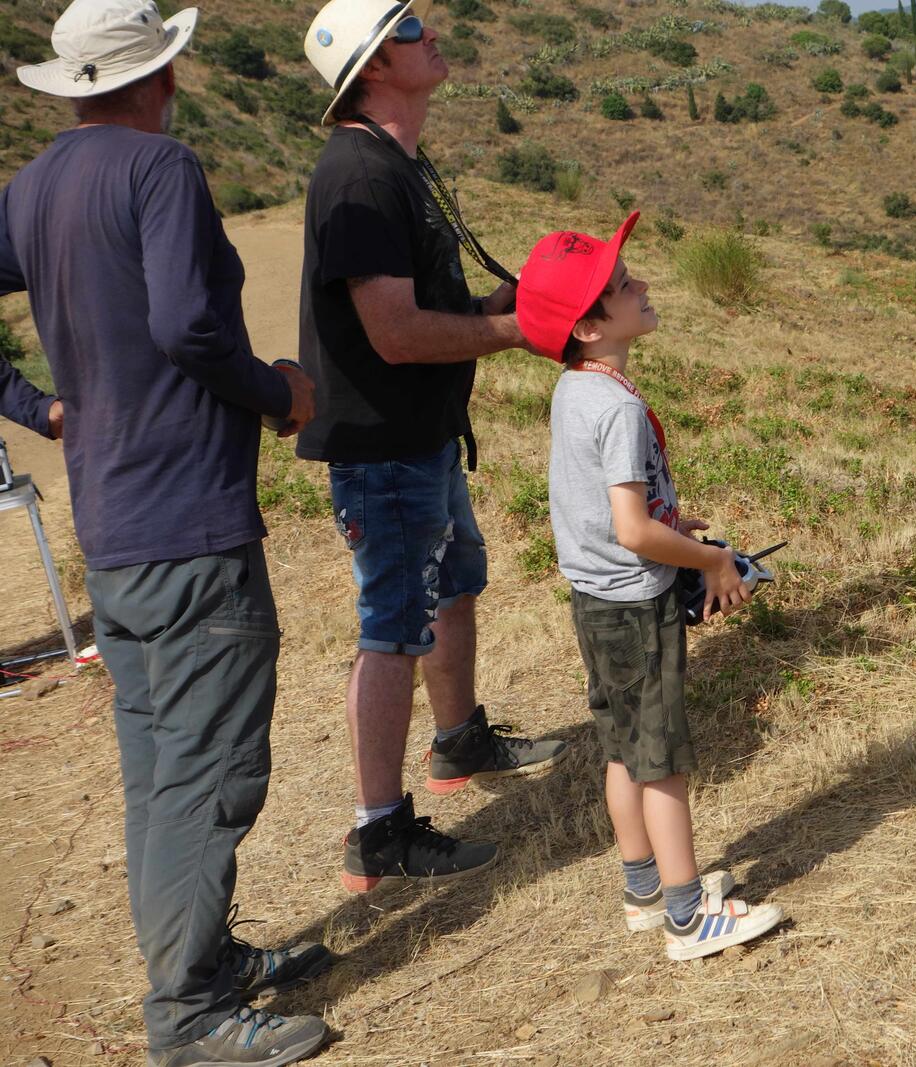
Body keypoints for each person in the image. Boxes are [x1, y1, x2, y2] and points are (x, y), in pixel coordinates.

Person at [0, 1, 331, 1063]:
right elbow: (188, 324)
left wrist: (35, 406)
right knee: (210, 768)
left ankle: (200, 961)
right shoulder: (161, 169)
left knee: (160, 768)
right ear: (164, 75)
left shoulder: (33, 187)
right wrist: (277, 393)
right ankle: (187, 1014)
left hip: (113, 522)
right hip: (189, 518)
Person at [299, 0, 567, 894]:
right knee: (392, 629)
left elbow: (431, 310)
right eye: (410, 26)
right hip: (383, 446)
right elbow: (397, 333)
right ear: (375, 66)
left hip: (422, 433)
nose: (433, 30)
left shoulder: (396, 165)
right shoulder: (357, 176)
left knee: (453, 586)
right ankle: (379, 831)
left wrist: (502, 306)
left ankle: (459, 741)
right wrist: (517, 332)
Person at [516, 214, 786, 960]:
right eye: (621, 284)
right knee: (662, 761)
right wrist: (710, 560)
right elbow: (633, 532)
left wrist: (673, 523)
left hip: (594, 602)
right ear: (590, 325)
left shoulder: (576, 389)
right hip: (637, 606)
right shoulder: (622, 408)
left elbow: (605, 511)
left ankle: (643, 890)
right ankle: (688, 917)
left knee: (622, 747)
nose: (641, 285)